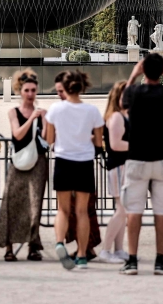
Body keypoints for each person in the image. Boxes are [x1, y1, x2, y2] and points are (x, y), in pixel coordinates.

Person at [119, 53, 163, 276]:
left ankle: (133, 260)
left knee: (134, 211)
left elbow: (122, 102)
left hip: (137, 157)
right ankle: (159, 261)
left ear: (144, 71)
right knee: (161, 213)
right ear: (161, 70)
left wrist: (134, 75)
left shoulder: (135, 92)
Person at [45, 71, 104, 271]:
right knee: (82, 211)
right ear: (82, 86)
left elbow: (50, 140)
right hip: (84, 162)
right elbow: (98, 142)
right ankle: (81, 255)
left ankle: (60, 242)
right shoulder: (92, 111)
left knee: (62, 209)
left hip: (63, 160)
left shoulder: (55, 110)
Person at [0, 69, 49, 262]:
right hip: (18, 162)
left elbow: (46, 140)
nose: (30, 94)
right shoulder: (14, 112)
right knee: (11, 202)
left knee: (35, 205)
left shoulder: (43, 113)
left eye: (33, 90)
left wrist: (46, 121)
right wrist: (33, 119)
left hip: (38, 161)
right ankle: (8, 246)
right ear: (20, 91)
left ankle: (33, 246)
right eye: (27, 90)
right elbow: (17, 134)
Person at [98, 80, 130, 264]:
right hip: (119, 166)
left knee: (123, 210)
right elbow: (116, 144)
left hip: (123, 165)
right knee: (122, 209)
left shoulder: (121, 115)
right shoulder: (116, 117)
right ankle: (106, 249)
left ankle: (118, 250)